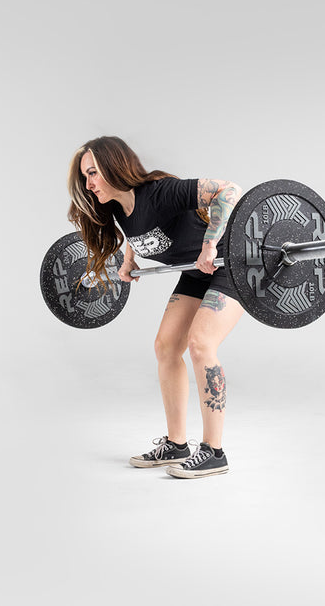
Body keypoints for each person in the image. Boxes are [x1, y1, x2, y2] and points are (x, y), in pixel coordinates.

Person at [67, 136, 243, 479]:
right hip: (195, 273)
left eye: (92, 173)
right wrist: (129, 260)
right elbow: (140, 231)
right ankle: (177, 445)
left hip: (230, 265)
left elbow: (228, 190)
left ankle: (214, 451)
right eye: (85, 177)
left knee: (201, 345)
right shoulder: (118, 208)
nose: (88, 185)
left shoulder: (160, 192)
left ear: (113, 166)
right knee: (165, 347)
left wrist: (210, 245)